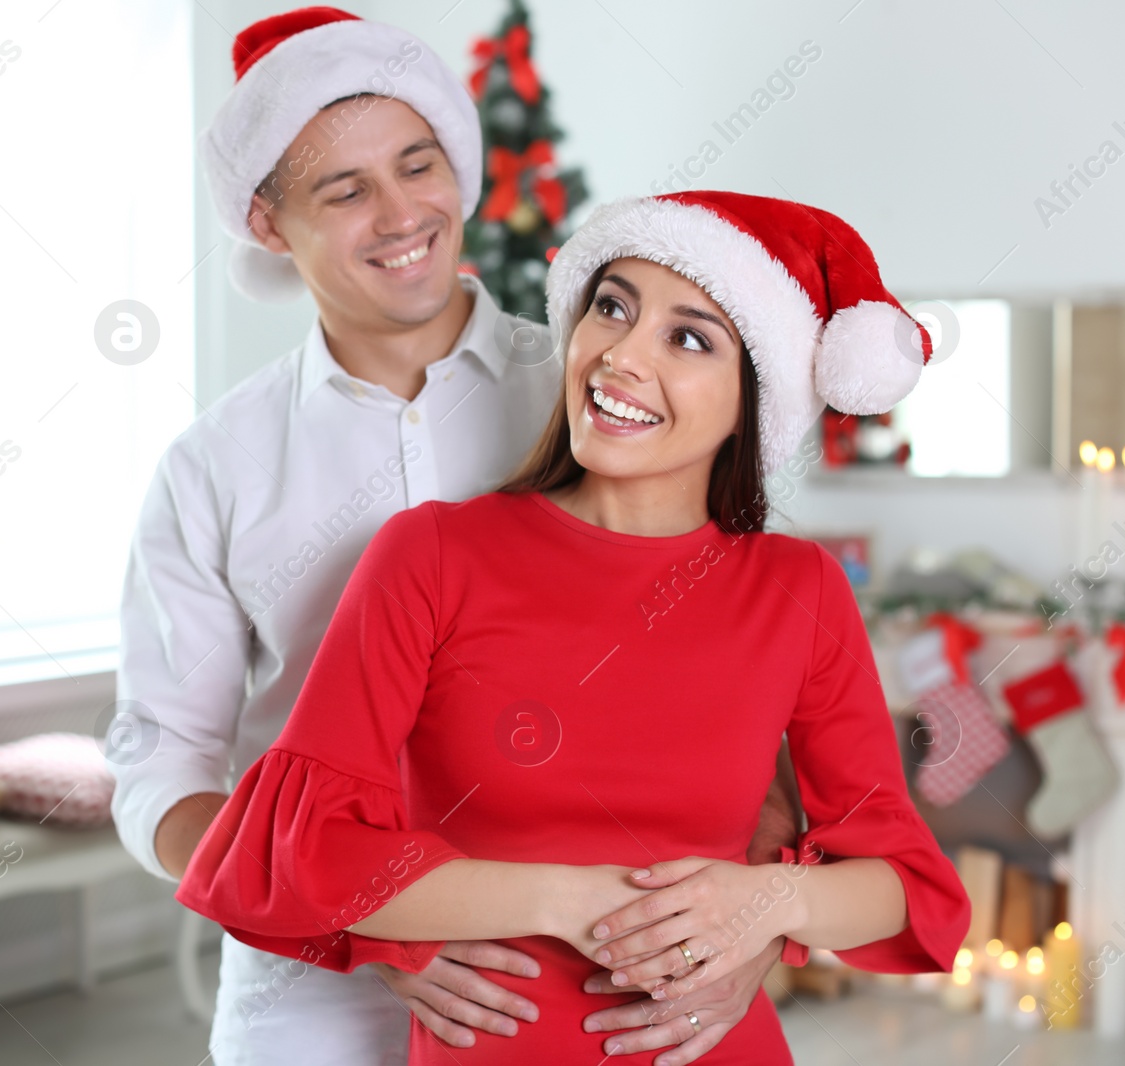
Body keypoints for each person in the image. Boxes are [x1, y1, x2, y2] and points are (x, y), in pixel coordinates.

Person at [111, 8, 797, 1065]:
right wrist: (365, 917)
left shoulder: (594, 395)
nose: (400, 214)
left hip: (600, 973)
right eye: (343, 190)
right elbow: (164, 765)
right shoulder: (215, 466)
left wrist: (758, 921)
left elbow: (752, 661)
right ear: (266, 222)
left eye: (417, 164)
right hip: (309, 993)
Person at [174, 190, 975, 1063]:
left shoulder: (801, 587)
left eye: (689, 337)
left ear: (755, 398)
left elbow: (905, 886)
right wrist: (560, 900)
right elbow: (298, 858)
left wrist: (768, 908)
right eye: (612, 307)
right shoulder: (432, 556)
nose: (622, 356)